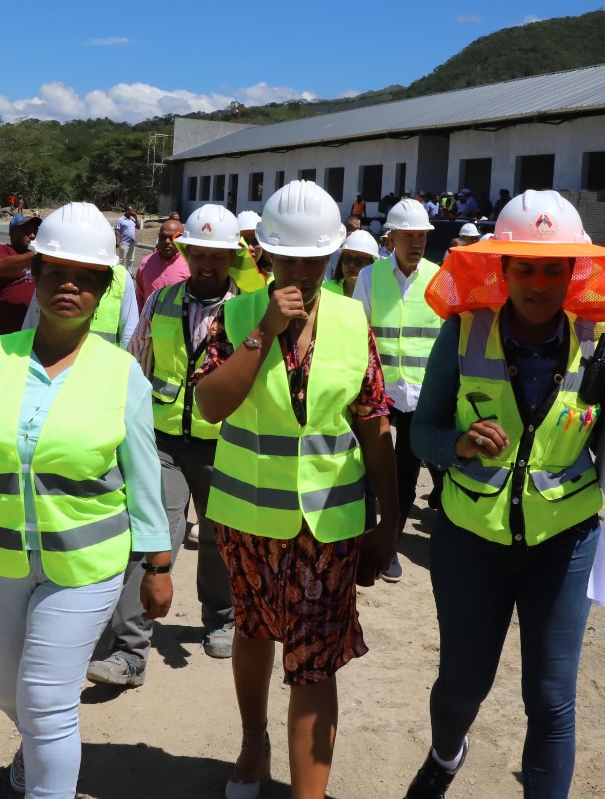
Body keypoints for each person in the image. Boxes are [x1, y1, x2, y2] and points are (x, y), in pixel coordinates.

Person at [405, 190, 605, 799]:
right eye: (526, 268)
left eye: (553, 268)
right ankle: (445, 754)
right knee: (462, 686)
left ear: (574, 273)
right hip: (470, 543)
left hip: (562, 547)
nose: (539, 283)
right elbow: (421, 432)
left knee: (550, 700)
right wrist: (458, 444)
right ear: (502, 269)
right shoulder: (463, 334)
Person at [0, 202, 173, 799]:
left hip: (85, 567)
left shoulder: (121, 374)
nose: (70, 287)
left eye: (87, 278)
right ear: (37, 275)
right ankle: (35, 748)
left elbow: (145, 481)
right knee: (6, 691)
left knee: (46, 699)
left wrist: (158, 567)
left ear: (104, 289)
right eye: (58, 272)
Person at [194, 179, 399, 799]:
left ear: (333, 256)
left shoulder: (351, 317)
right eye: (291, 259)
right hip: (248, 520)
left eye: (317, 260)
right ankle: (253, 742)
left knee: (315, 660)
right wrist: (263, 331)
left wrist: (387, 522)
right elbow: (209, 406)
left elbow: (372, 421)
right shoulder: (235, 316)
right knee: (254, 632)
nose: (305, 272)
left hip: (329, 527)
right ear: (265, 255)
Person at [88, 205, 248, 688]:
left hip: (226, 444)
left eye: (216, 256)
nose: (206, 263)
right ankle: (130, 650)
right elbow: (137, 362)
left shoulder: (248, 311)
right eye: (197, 253)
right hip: (164, 444)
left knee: (222, 540)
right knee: (153, 536)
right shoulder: (161, 301)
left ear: (230, 258)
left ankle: (221, 617)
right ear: (186, 252)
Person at [353, 196, 442, 584]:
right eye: (409, 235)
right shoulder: (371, 278)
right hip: (379, 395)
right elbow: (359, 334)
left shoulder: (440, 279)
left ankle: (390, 543)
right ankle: (366, 535)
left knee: (406, 475)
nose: (417, 242)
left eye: (422, 235)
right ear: (391, 239)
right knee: (370, 471)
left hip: (421, 397)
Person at [0, 214, 44, 342]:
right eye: (27, 231)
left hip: (34, 338)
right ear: (12, 233)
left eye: (35, 231)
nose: (32, 236)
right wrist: (38, 255)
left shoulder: (43, 260)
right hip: (2, 339)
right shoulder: (0, 251)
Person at [135, 216, 189, 307]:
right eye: (163, 237)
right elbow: (140, 298)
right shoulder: (146, 263)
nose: (167, 241)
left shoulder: (191, 265)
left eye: (173, 237)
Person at [325, 229, 377, 299]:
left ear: (371, 264)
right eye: (347, 258)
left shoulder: (379, 294)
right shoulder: (326, 290)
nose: (351, 265)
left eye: (358, 261)